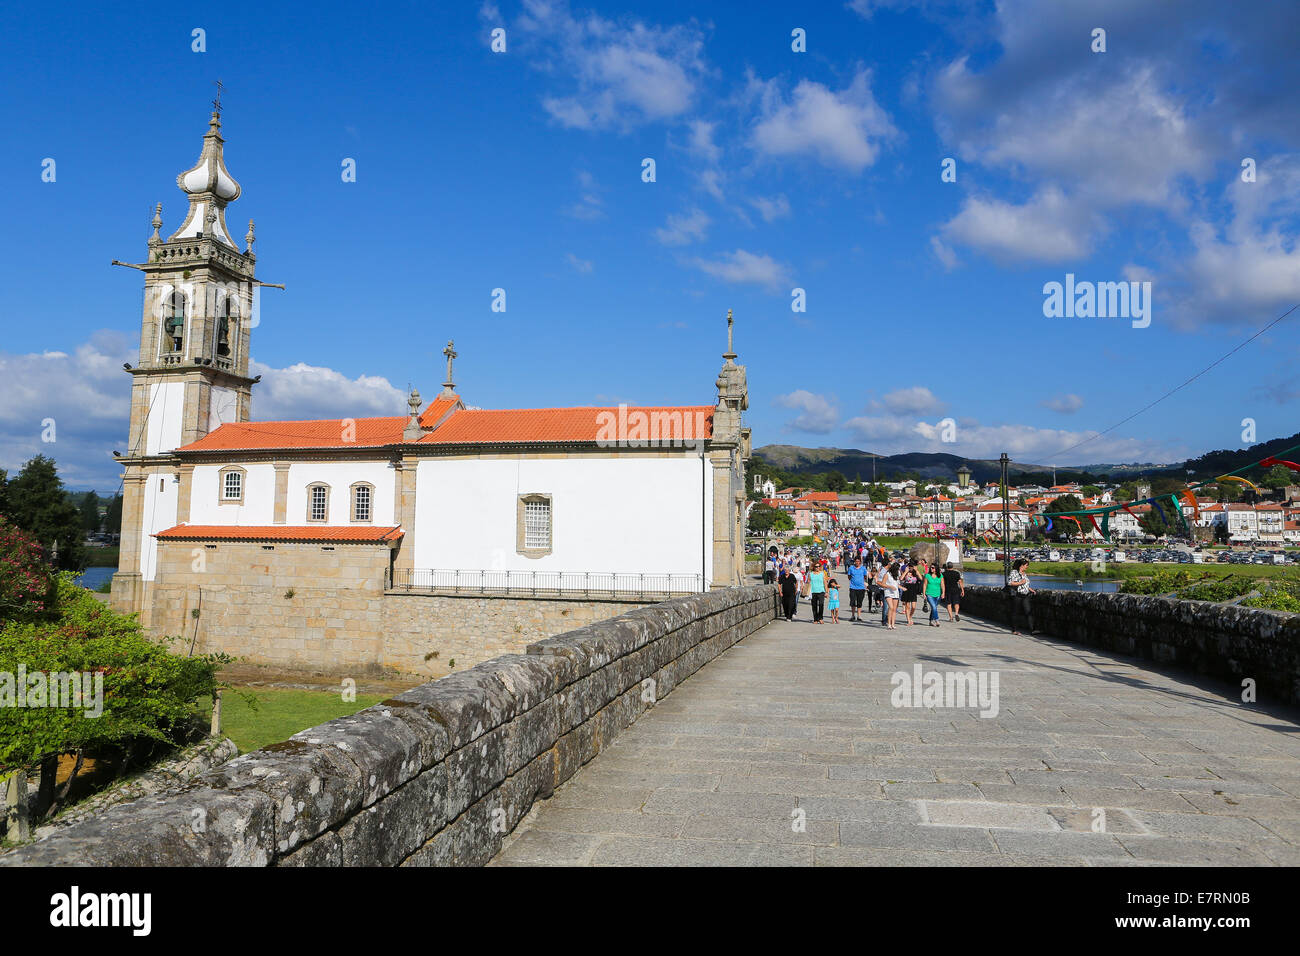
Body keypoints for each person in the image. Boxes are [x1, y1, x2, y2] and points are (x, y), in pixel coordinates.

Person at [1008, 557, 1036, 635]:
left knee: (1029, 612)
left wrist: (1030, 589)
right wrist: (1020, 582)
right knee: (1016, 612)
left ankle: (1032, 630)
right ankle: (1014, 630)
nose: (1027, 567)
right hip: (1017, 595)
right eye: (1026, 565)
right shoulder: (1014, 572)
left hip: (1025, 595)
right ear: (1021, 565)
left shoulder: (1024, 573)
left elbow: (1025, 584)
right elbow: (1010, 583)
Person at [899, 559, 922, 626]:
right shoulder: (906, 572)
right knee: (907, 606)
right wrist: (906, 572)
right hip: (907, 589)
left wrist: (917, 570)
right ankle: (908, 620)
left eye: (912, 567)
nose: (911, 568)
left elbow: (921, 578)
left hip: (914, 589)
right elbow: (901, 578)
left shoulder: (915, 572)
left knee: (914, 607)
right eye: (910, 567)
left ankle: (910, 616)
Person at [877, 561, 900, 629]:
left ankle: (893, 624)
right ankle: (889, 623)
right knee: (891, 607)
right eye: (897, 569)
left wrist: (902, 588)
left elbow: (897, 584)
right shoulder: (887, 574)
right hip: (888, 592)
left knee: (894, 609)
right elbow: (883, 584)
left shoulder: (897, 574)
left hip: (895, 593)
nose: (898, 570)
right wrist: (890, 587)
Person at [845, 556, 867, 621]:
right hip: (853, 587)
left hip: (861, 588)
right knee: (853, 602)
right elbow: (849, 577)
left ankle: (859, 616)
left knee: (859, 602)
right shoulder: (851, 568)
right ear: (854, 562)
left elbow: (865, 577)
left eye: (858, 561)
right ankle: (853, 615)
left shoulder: (863, 568)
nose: (857, 562)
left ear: (860, 562)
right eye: (856, 561)